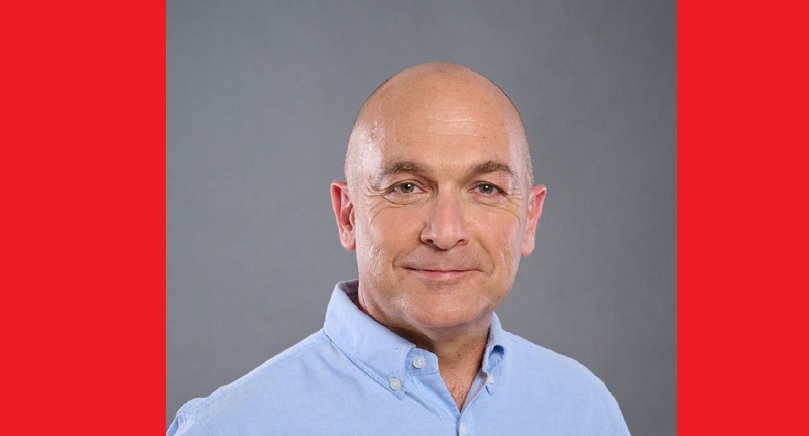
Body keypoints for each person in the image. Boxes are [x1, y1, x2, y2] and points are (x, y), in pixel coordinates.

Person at [167, 62, 630, 435]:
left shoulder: (585, 410)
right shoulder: (228, 427)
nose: (444, 233)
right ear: (348, 215)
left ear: (530, 218)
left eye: (486, 189)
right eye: (407, 187)